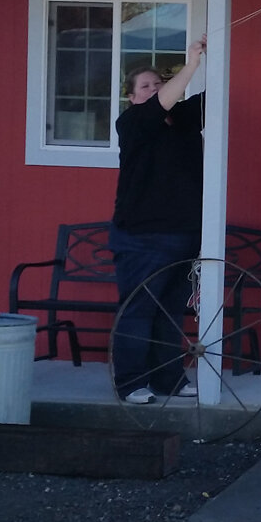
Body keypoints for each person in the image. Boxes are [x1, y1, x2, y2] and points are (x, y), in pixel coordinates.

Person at [110, 35, 207, 404]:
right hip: (142, 235)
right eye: (144, 86)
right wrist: (192, 63)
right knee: (138, 311)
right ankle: (131, 383)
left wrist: (223, 57)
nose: (153, 89)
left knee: (169, 313)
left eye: (157, 83)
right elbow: (159, 106)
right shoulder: (133, 122)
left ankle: (169, 379)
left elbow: (217, 96)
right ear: (132, 97)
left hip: (182, 235)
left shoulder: (180, 121)